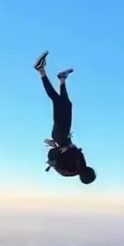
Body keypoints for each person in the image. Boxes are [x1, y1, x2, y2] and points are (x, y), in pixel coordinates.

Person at [34, 50, 96, 184]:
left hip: (61, 136)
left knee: (58, 102)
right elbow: (72, 150)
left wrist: (57, 147)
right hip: (64, 137)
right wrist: (67, 146)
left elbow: (53, 158)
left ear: (86, 173)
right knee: (66, 105)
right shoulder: (80, 165)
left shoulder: (69, 170)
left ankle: (41, 70)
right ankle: (62, 79)